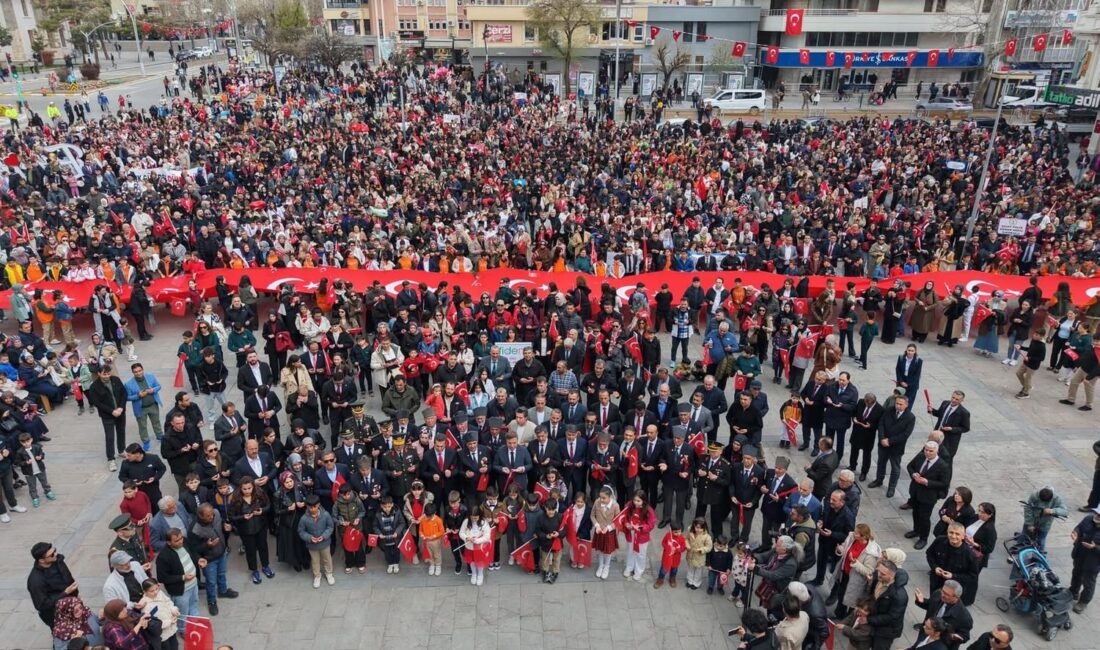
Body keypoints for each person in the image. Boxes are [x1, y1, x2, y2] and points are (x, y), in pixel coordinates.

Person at [187, 503, 238, 615]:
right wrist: (207, 545)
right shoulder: (194, 529)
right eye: (208, 516)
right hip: (209, 559)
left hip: (222, 551)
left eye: (212, 514)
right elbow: (193, 548)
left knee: (222, 573)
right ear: (200, 516)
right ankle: (212, 601)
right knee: (211, 581)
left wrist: (227, 528)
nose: (212, 517)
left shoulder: (216, 513)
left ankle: (223, 591)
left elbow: (222, 525)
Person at [827, 522, 881, 619]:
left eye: (856, 533)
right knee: (841, 595)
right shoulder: (852, 538)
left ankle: (850, 618)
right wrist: (841, 549)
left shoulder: (870, 553)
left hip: (856, 580)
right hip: (845, 573)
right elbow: (845, 546)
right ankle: (839, 614)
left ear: (863, 536)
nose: (853, 533)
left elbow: (868, 571)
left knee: (854, 601)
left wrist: (855, 563)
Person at [906, 441, 951, 550]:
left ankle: (923, 538)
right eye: (926, 450)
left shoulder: (943, 465)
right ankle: (916, 530)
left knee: (924, 517)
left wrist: (927, 482)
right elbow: (910, 466)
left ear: (937, 451)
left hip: (928, 496)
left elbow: (944, 483)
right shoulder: (921, 456)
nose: (928, 453)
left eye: (931, 451)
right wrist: (914, 474)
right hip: (916, 491)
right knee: (915, 512)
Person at [155, 528, 200, 636]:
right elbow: (162, 578)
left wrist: (198, 560)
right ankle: (182, 630)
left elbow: (193, 553)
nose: (181, 541)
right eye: (177, 541)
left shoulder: (184, 542)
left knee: (193, 605)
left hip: (193, 584)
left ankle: (195, 625)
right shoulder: (163, 557)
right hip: (181, 591)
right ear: (169, 542)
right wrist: (182, 577)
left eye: (181, 538)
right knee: (182, 613)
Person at [868, 395, 915, 498]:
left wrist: (889, 441)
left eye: (900, 404)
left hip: (896, 447)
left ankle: (892, 487)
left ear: (906, 405)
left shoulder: (910, 417)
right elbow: (881, 424)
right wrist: (882, 438)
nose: (897, 406)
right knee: (881, 463)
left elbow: (905, 434)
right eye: (896, 403)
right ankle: (879, 480)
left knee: (895, 468)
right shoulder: (889, 410)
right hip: (883, 444)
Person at [86, 364, 129, 472]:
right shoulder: (94, 386)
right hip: (107, 415)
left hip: (120, 412)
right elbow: (97, 403)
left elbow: (124, 394)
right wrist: (112, 411)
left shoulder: (116, 380)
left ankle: (121, 450)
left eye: (108, 374)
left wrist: (121, 408)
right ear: (99, 373)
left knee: (121, 431)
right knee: (110, 436)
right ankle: (111, 459)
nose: (107, 376)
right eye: (104, 374)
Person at [28, 542, 79, 631]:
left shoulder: (57, 560)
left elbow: (67, 577)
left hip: (73, 603)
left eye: (54, 550)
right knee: (64, 636)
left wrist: (75, 595)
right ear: (41, 560)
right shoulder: (36, 581)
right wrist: (65, 593)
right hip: (56, 614)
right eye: (51, 554)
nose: (55, 554)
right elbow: (42, 604)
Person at [914, 580, 973, 650]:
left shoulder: (964, 616)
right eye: (943, 591)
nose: (942, 595)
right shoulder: (938, 594)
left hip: (940, 644)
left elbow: (965, 636)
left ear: (956, 597)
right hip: (926, 634)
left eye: (946, 594)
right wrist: (922, 601)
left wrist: (955, 636)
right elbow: (930, 605)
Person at [865, 559, 908, 650]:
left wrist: (868, 620)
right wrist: (869, 584)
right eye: (878, 571)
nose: (879, 575)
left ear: (892, 575)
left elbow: (891, 617)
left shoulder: (900, 595)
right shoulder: (878, 578)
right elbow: (872, 596)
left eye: (883, 574)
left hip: (886, 631)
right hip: (874, 621)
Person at [298, 494, 336, 588]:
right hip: (312, 545)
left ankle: (329, 573)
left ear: (318, 505)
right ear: (307, 506)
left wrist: (323, 536)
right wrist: (310, 538)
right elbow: (301, 531)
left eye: (314, 507)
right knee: (315, 561)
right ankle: (317, 576)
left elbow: (330, 527)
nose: (313, 509)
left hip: (325, 543)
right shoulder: (304, 518)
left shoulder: (326, 515)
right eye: (310, 507)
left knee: (327, 559)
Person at [125, 363, 163, 451]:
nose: (138, 373)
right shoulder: (128, 384)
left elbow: (158, 386)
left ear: (143, 370)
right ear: (133, 373)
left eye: (139, 371)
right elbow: (127, 397)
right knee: (142, 426)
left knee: (156, 421)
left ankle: (159, 435)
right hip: (141, 408)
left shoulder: (150, 376)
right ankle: (146, 441)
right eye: (135, 372)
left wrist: (152, 390)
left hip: (153, 405)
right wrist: (138, 396)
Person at [1070, 505, 1100, 614]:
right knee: (1076, 574)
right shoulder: (1088, 518)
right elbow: (1079, 527)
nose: (1096, 516)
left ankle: (1083, 602)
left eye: (1099, 515)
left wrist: (1095, 547)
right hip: (1080, 554)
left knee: (1089, 582)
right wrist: (1075, 532)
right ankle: (1073, 591)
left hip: (1093, 562)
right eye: (1096, 513)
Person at [621, 489, 657, 581]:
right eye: (634, 500)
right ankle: (629, 567)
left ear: (643, 501)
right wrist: (626, 524)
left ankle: (639, 571)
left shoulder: (648, 510)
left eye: (638, 501)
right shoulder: (629, 505)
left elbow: (651, 524)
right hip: (631, 533)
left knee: (640, 554)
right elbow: (624, 516)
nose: (636, 502)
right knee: (630, 551)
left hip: (642, 536)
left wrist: (641, 528)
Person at [1022, 486, 1068, 552]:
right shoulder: (1034, 495)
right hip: (1032, 519)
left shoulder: (1057, 499)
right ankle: (1017, 551)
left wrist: (1053, 511)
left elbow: (1065, 512)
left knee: (1041, 540)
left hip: (1045, 523)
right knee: (1024, 535)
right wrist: (1030, 524)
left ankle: (1039, 556)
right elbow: (1028, 508)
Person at [1013, 328, 1046, 399]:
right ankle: (1027, 387)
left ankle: (1026, 393)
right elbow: (1030, 349)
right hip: (1026, 362)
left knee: (1028, 378)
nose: (1034, 335)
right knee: (1018, 373)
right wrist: (1021, 347)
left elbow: (1041, 358)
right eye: (1034, 334)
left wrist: (1030, 358)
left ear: (1041, 336)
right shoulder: (1033, 340)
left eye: (1036, 335)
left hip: (1033, 365)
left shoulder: (1042, 346)